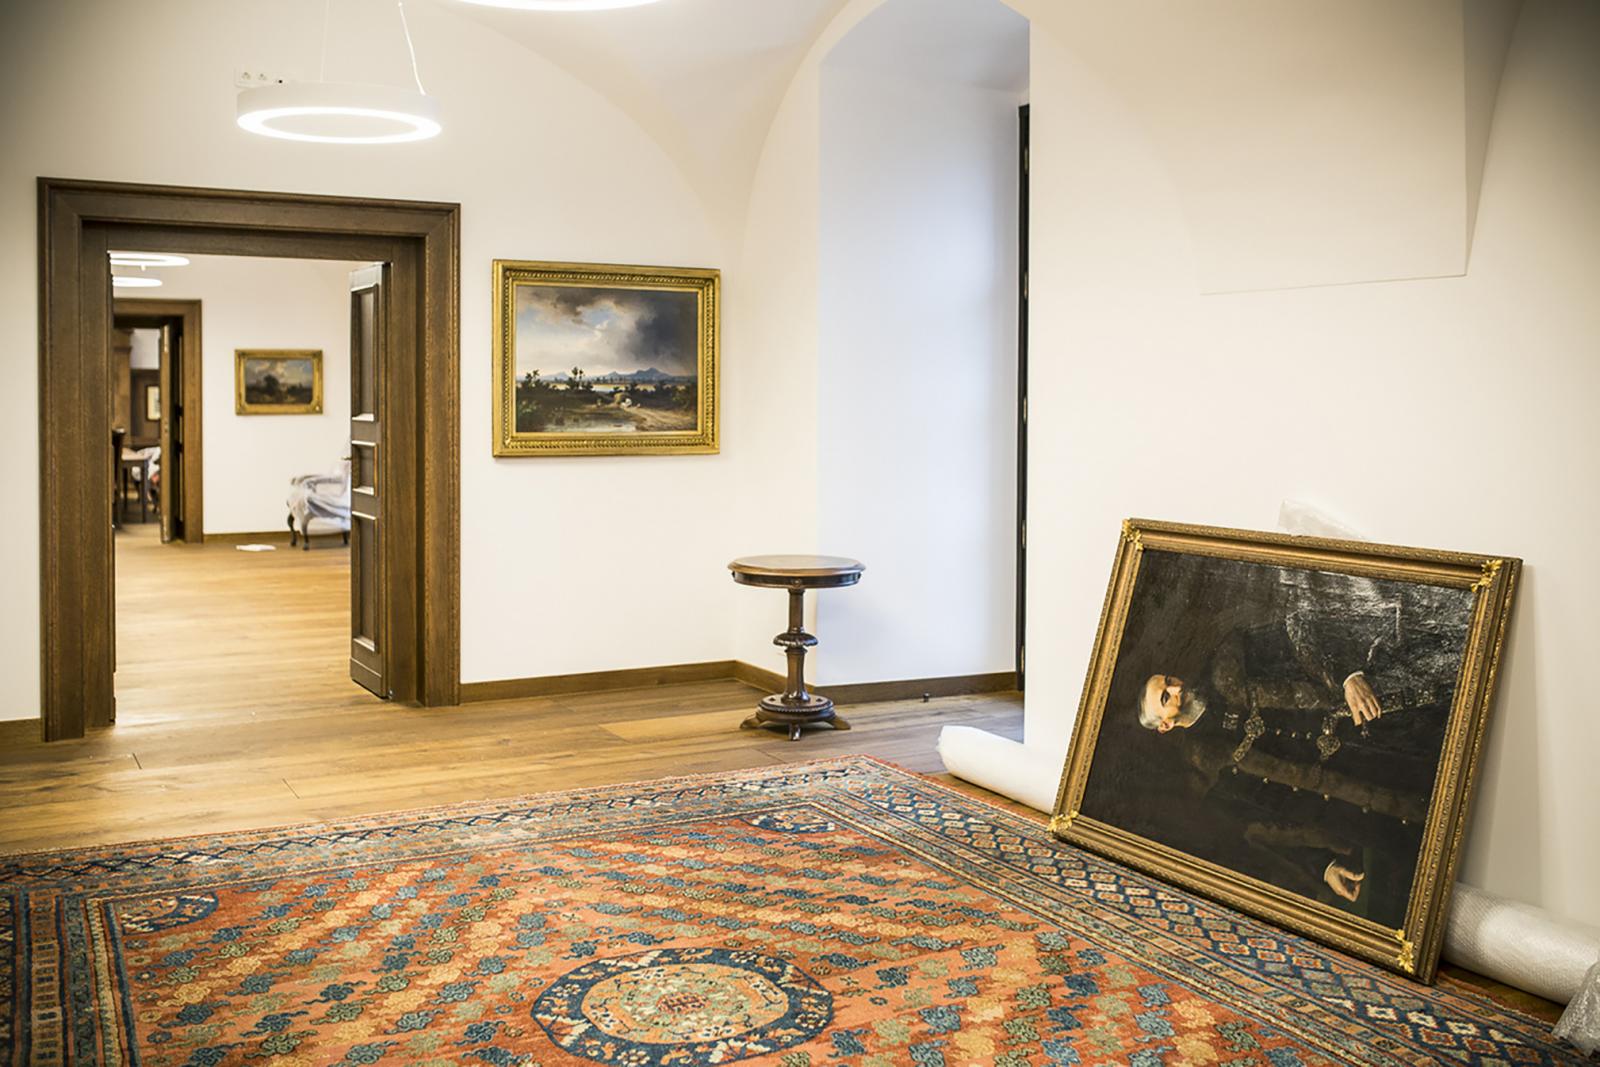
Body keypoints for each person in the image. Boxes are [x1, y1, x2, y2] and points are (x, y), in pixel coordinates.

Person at [1125, 570, 1472, 926]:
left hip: (1373, 717)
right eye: (1165, 697)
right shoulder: (1208, 768)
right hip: (1356, 789)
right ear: (1165, 726)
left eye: (1170, 681)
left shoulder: (1227, 664)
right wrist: (1324, 865)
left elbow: (1299, 626)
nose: (1177, 689)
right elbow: (1262, 828)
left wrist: (1346, 676)